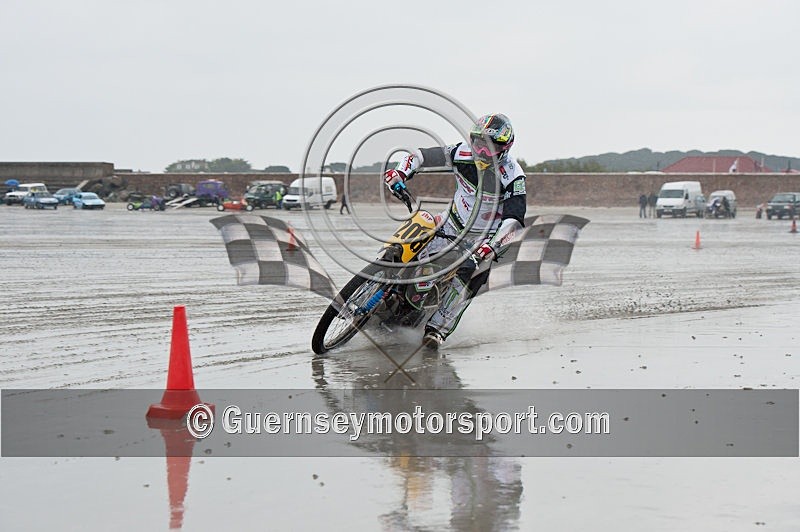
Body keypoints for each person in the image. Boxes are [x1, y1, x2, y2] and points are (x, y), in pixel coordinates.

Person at [383, 113, 525, 348]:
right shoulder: (460, 153)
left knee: (476, 272)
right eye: (479, 144)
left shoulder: (513, 175)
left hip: (483, 239)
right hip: (450, 223)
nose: (483, 152)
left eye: (491, 148)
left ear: (505, 147)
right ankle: (383, 269)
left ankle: (437, 330)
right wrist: (399, 173)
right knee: (421, 222)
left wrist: (492, 246)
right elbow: (419, 157)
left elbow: (515, 219)